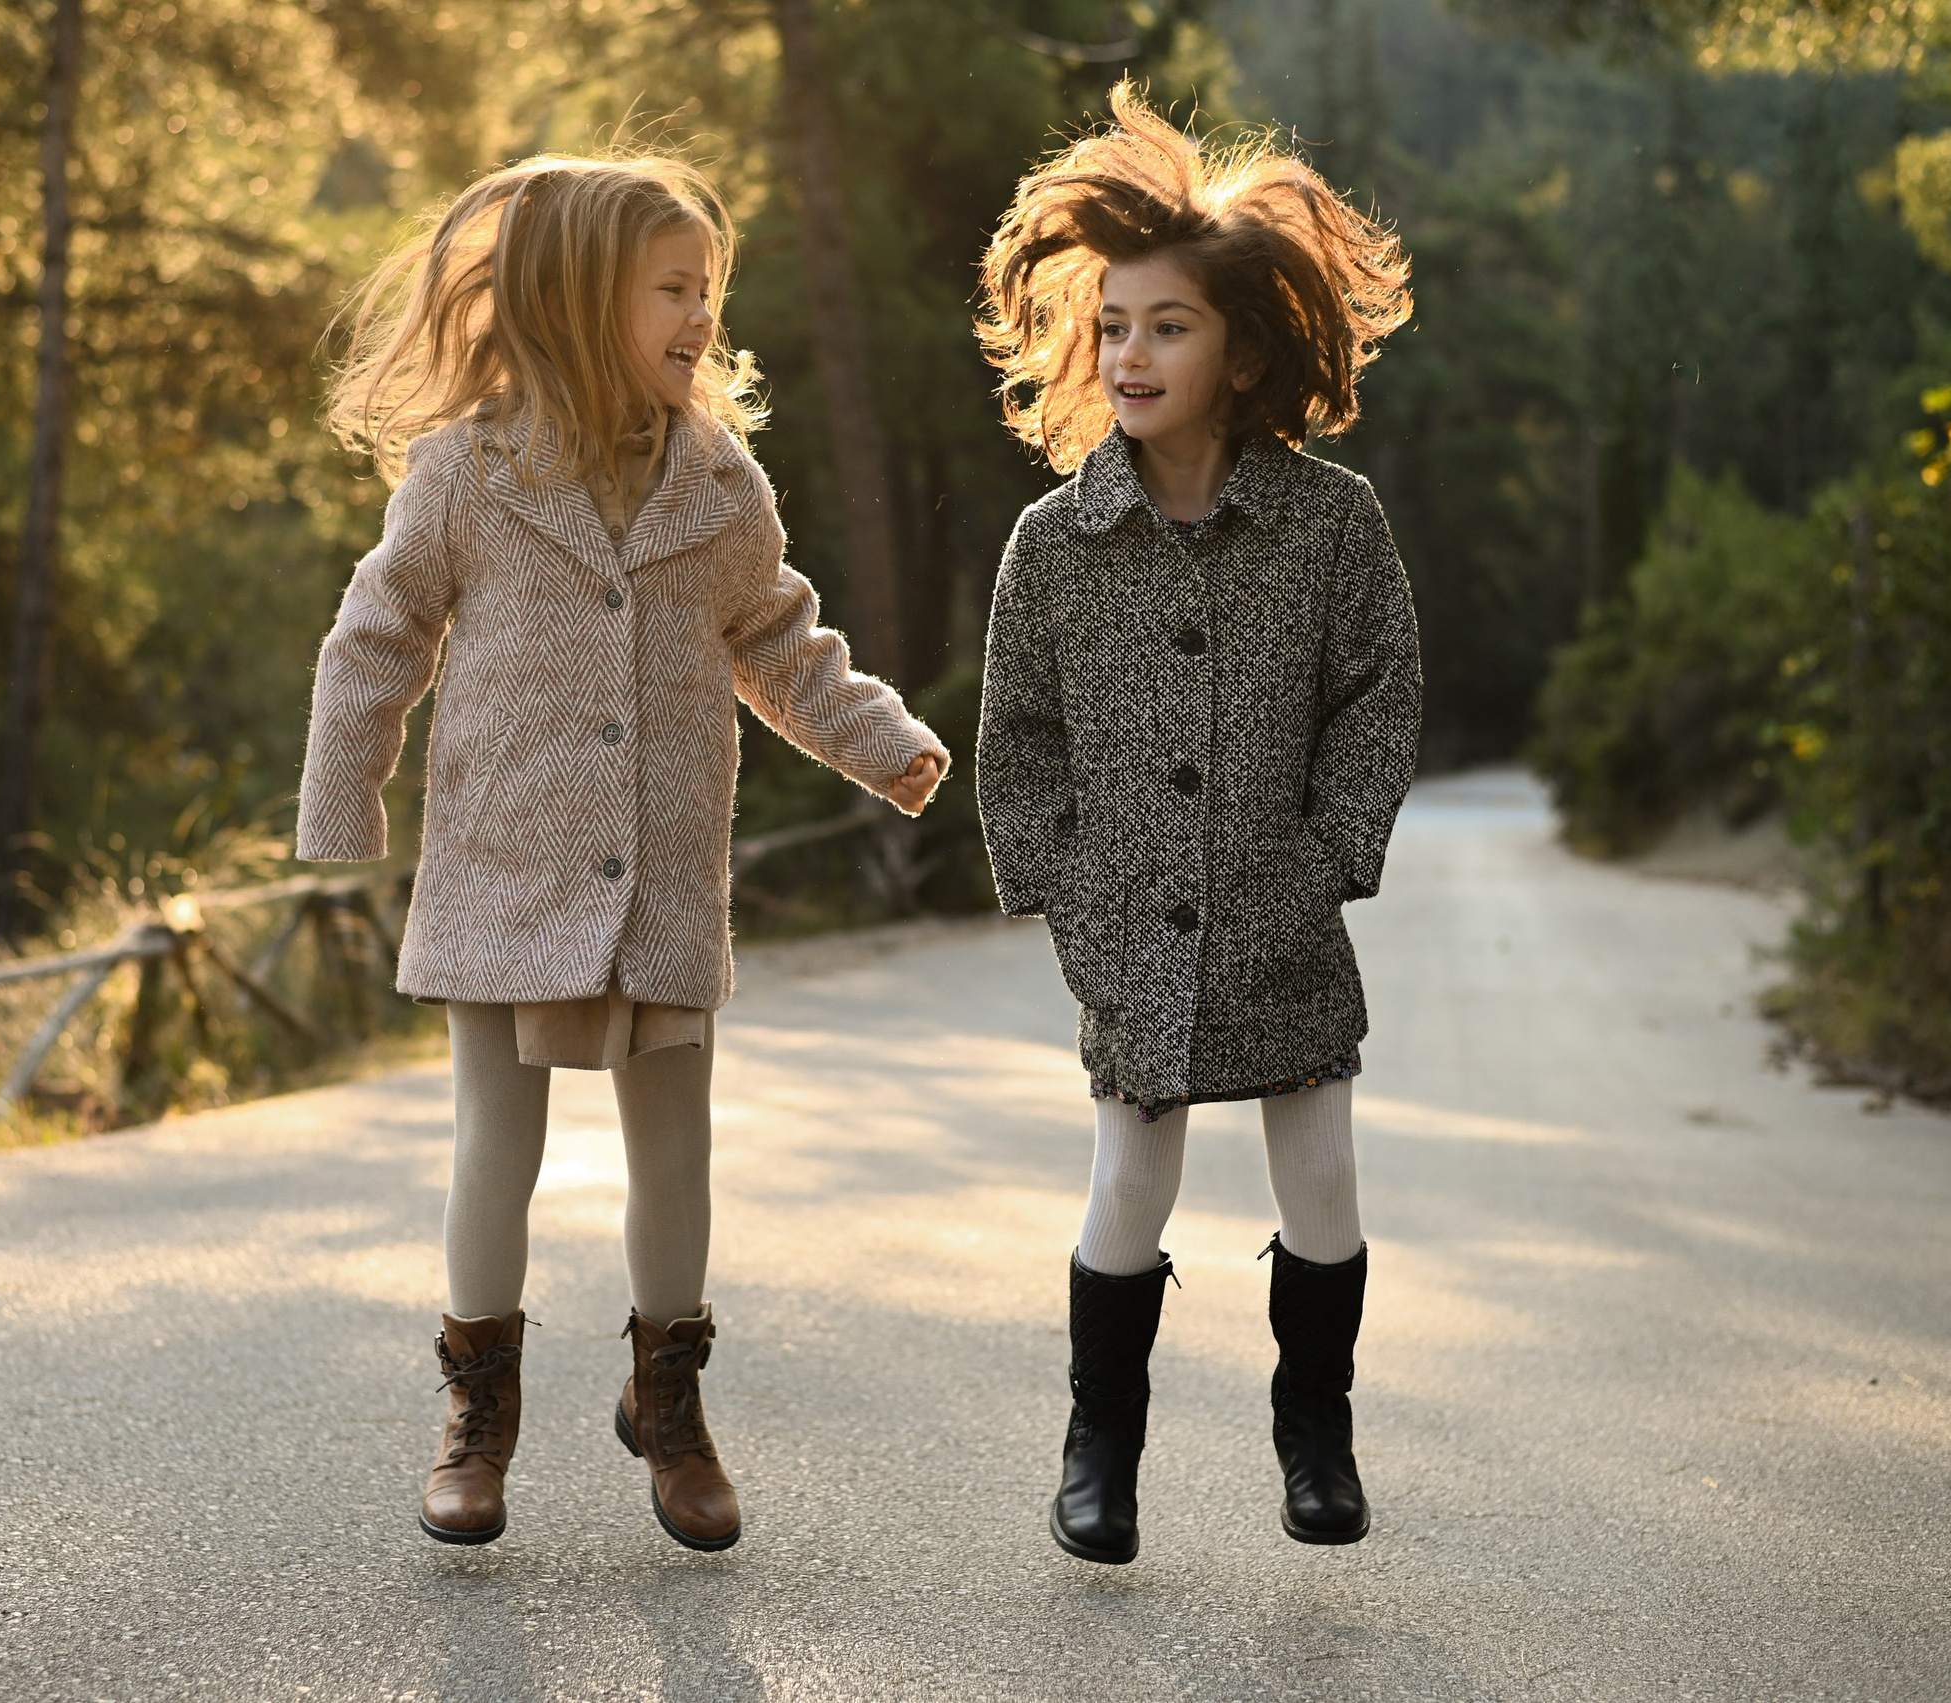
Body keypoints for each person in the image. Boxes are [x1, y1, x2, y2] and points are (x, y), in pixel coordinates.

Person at [298, 152, 947, 1553]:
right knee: (495, 1145)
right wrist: (344, 808)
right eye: (672, 287)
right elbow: (377, 640)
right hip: (500, 868)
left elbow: (777, 638)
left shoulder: (717, 482)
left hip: (660, 873)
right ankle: (479, 1417)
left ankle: (670, 1406)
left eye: (710, 288)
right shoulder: (465, 474)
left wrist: (878, 737)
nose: (702, 313)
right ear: (584, 301)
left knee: (676, 1149)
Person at [974, 82, 1420, 1565]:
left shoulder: (1331, 524)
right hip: (1129, 923)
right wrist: (1067, 896)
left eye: (1167, 325)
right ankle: (1098, 1454)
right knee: (1130, 1172)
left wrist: (1331, 854)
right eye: (1113, 326)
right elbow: (1018, 743)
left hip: (1281, 907)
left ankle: (1317, 1432)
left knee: (1325, 1173)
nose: (1131, 352)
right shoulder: (1055, 544)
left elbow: (1378, 691)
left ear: (1239, 350)